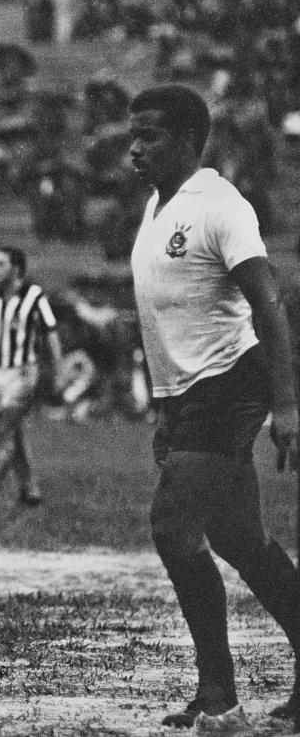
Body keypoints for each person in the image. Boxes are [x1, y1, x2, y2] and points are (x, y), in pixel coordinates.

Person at [127, 83, 300, 728]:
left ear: (187, 139)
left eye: (149, 136)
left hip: (231, 384)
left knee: (173, 527)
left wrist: (286, 406)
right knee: (238, 539)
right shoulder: (154, 210)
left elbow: (269, 303)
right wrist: (164, 408)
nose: (136, 150)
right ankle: (227, 688)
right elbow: (166, 320)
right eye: (132, 138)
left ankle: (219, 695)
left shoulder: (220, 205)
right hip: (190, 397)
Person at [0, 247, 64, 507]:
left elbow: (51, 333)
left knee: (5, 432)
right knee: (14, 433)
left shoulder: (34, 295)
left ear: (16, 269)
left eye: (1, 264)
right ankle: (30, 490)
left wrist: (59, 370)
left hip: (22, 373)